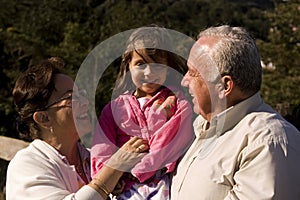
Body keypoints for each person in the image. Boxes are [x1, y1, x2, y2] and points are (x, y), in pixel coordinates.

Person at [170, 25, 300, 199]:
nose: (184, 81)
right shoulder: (201, 128)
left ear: (225, 86)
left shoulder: (267, 141)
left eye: (193, 73)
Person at [6, 57, 148, 200]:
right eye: (71, 97)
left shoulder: (95, 158)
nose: (85, 102)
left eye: (81, 94)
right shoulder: (26, 164)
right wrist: (114, 169)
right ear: (44, 118)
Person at [91, 25, 194, 199]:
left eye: (158, 65)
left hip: (162, 182)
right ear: (128, 65)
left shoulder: (177, 102)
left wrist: (138, 171)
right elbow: (101, 148)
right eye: (140, 64)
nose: (149, 72)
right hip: (123, 186)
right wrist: (108, 177)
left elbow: (169, 140)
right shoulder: (114, 108)